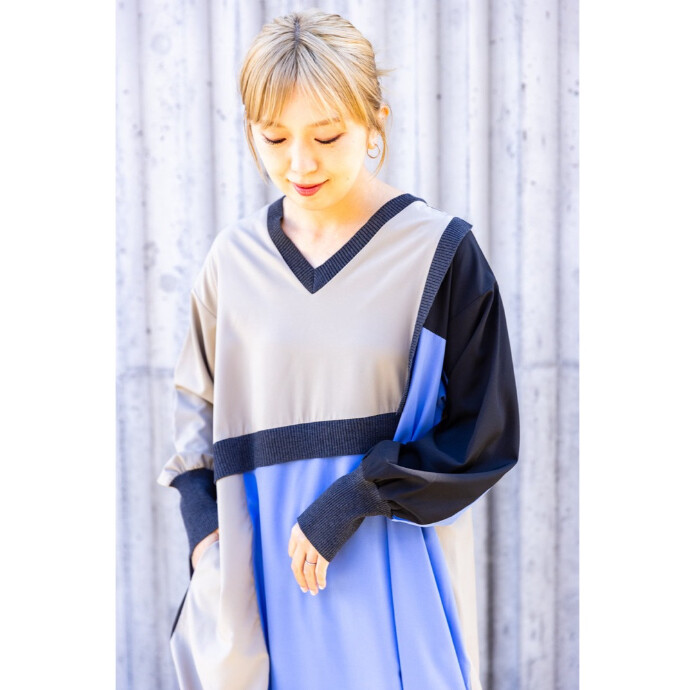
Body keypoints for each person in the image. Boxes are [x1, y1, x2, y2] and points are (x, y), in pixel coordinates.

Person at [158, 8, 519, 690]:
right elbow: (195, 409)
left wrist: (352, 498)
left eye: (327, 135)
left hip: (393, 579)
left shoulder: (440, 256)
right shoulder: (231, 261)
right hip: (259, 592)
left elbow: (484, 433)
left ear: (375, 121)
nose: (299, 163)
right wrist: (206, 537)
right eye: (274, 137)